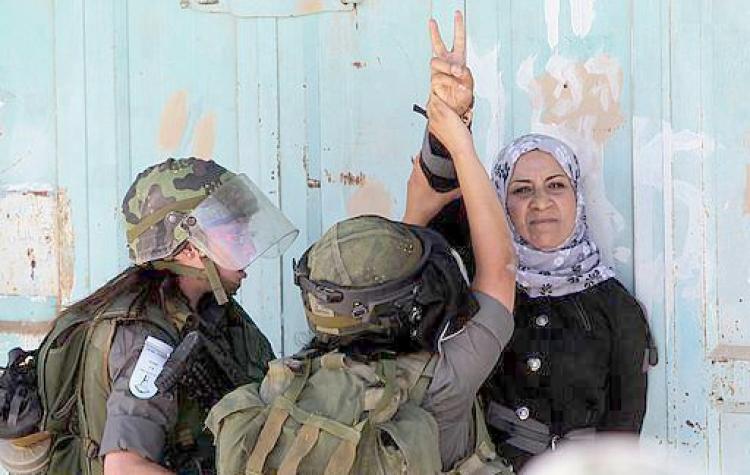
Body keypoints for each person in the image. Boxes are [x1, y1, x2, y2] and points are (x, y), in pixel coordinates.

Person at [207, 13, 517, 474]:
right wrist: (460, 142)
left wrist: (434, 167)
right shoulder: (444, 381)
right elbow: (500, 269)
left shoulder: (287, 383)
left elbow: (386, 277)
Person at [411, 16, 655, 470]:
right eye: (521, 190)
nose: (541, 202)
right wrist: (449, 117)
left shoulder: (615, 308)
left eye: (556, 186)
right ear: (501, 204)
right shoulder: (476, 277)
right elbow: (434, 198)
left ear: (577, 198)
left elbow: (622, 440)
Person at [26, 158, 297, 475]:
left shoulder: (211, 311)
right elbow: (125, 468)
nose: (249, 246)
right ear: (189, 248)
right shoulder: (145, 336)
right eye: (236, 235)